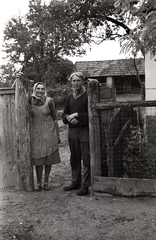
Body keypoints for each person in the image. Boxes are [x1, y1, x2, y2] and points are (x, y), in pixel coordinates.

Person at [62, 72, 91, 196]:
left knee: (86, 158)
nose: (76, 83)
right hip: (72, 131)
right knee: (74, 157)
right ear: (71, 82)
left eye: (78, 80)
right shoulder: (69, 97)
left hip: (85, 130)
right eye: (74, 81)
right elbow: (64, 113)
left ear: (83, 81)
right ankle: (75, 182)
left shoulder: (88, 95)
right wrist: (68, 117)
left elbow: (92, 114)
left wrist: (78, 115)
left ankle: (85, 185)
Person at [29, 82, 60, 191]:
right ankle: (38, 182)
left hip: (49, 132)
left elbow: (55, 118)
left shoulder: (49, 101)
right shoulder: (30, 100)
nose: (40, 91)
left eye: (42, 89)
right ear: (34, 89)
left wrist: (57, 134)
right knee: (38, 158)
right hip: (36, 133)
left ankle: (46, 181)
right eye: (38, 88)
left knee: (48, 158)